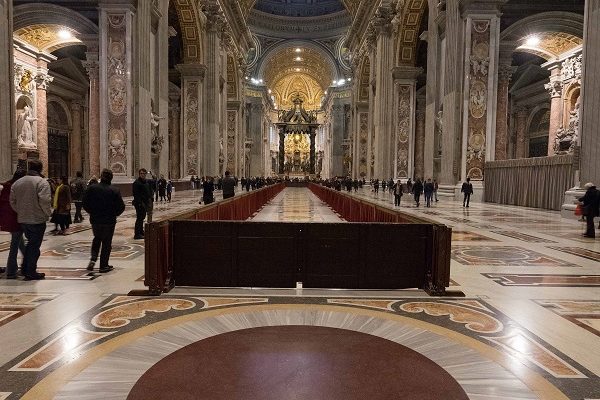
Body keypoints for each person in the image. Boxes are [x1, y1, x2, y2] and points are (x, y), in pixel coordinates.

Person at [9, 159, 52, 280]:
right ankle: (30, 271)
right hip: (37, 220)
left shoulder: (18, 182)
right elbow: (45, 201)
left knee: (30, 244)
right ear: (40, 169)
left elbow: (12, 201)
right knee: (34, 246)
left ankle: (25, 268)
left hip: (23, 219)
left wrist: (21, 211)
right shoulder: (41, 182)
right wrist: (47, 214)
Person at [83, 168, 125, 273]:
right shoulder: (114, 190)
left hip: (95, 220)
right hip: (109, 221)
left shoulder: (92, 188)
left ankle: (93, 259)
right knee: (106, 243)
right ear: (111, 178)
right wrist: (115, 214)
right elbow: (121, 207)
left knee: (97, 239)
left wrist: (91, 212)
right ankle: (103, 265)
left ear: (101, 176)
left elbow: (85, 203)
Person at [0, 169, 27, 278]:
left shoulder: (6, 186)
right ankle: (11, 271)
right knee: (15, 245)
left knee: (20, 243)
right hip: (15, 218)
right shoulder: (15, 187)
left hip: (7, 218)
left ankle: (27, 264)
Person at [132, 168, 152, 240]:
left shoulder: (145, 182)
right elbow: (136, 195)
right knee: (139, 218)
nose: (143, 175)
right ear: (139, 174)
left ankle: (141, 231)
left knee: (142, 218)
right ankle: (137, 234)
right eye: (141, 173)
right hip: (139, 203)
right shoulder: (136, 183)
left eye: (144, 173)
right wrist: (140, 203)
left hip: (145, 203)